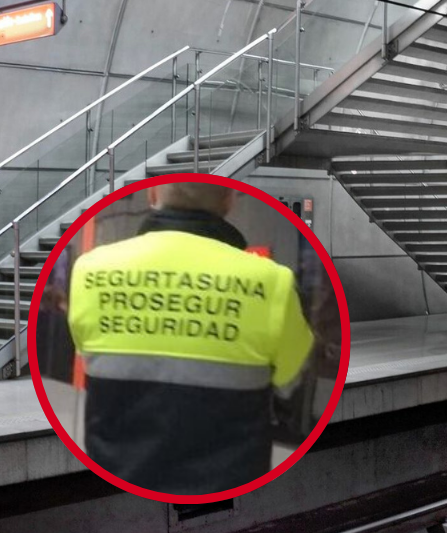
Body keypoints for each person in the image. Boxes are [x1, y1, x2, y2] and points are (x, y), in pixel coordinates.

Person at [68, 181, 313, 495]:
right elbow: (290, 374)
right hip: (230, 484)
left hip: (116, 481)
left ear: (151, 195)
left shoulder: (90, 270)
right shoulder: (272, 281)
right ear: (229, 200)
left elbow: (86, 353)